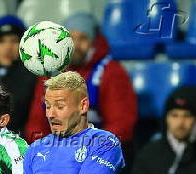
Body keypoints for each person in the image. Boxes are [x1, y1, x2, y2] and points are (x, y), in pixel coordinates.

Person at [25, 12, 137, 145]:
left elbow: (121, 124)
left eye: (83, 38)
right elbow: (36, 122)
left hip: (98, 151)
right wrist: (45, 150)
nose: (76, 45)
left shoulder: (111, 72)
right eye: (71, 38)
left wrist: (85, 149)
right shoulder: (49, 72)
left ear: (93, 42)